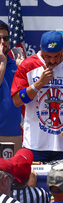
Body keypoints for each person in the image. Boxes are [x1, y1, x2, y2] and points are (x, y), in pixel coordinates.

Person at [11, 30, 63, 162]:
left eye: (57, 56)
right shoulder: (28, 65)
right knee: (34, 182)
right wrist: (39, 84)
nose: (52, 61)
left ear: (62, 50)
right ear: (41, 49)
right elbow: (17, 100)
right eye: (48, 56)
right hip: (35, 144)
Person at [0, 22, 23, 153]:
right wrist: (2, 63)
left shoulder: (16, 65)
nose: (3, 42)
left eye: (6, 38)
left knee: (13, 174)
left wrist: (23, 70)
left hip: (14, 135)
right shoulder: (4, 63)